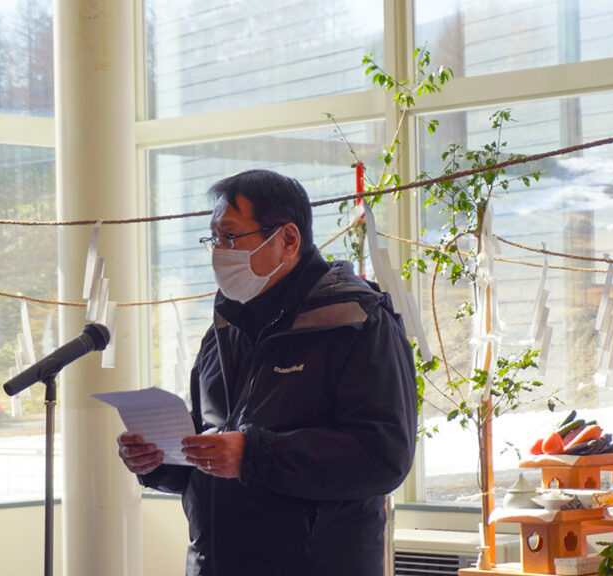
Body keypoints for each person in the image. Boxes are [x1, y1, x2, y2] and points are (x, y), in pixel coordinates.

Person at [116, 169, 418, 576]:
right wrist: (159, 459)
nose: (218, 252)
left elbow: (384, 455)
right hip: (215, 561)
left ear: (288, 239)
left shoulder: (355, 320)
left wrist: (254, 455)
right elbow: (210, 439)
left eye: (230, 236)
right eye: (214, 238)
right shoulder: (225, 325)